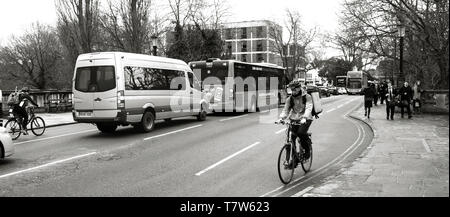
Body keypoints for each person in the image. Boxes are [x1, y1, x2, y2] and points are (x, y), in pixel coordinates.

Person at [278, 80, 313, 160]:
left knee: (300, 133)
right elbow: (285, 110)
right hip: (294, 118)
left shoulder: (307, 97)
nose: (293, 91)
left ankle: (307, 150)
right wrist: (281, 118)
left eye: (295, 89)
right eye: (292, 89)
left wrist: (304, 117)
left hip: (306, 118)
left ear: (299, 88)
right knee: (292, 137)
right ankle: (294, 159)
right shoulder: (289, 99)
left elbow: (308, 107)